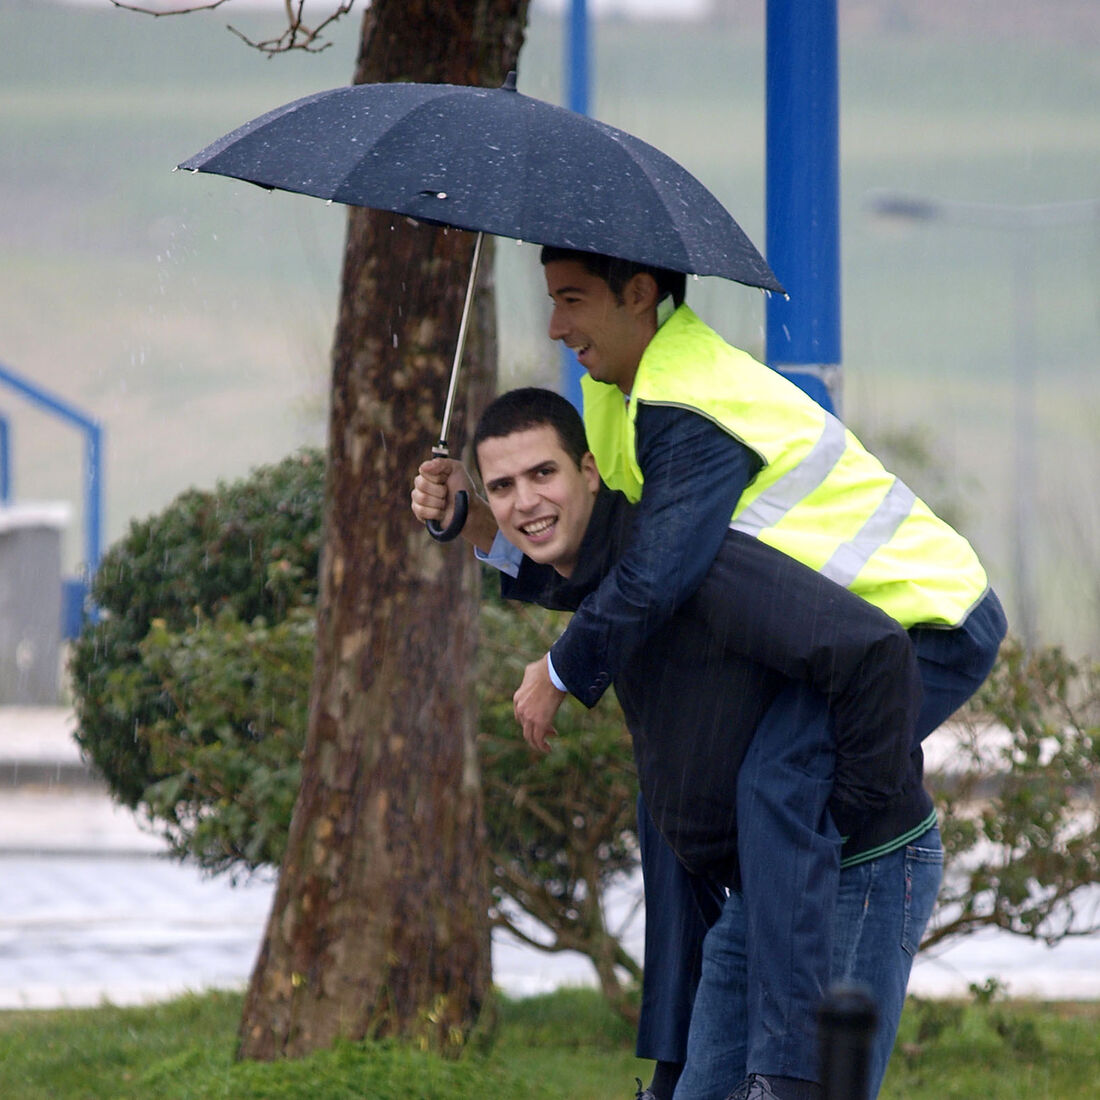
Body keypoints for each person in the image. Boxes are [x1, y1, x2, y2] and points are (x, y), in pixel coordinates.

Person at [507, 247, 1004, 1100]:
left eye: (573, 300)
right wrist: (465, 522)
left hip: (927, 619)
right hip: (847, 644)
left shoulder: (687, 403)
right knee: (725, 793)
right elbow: (606, 545)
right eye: (551, 300)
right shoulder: (622, 392)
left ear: (639, 295)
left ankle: (787, 1073)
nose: (556, 325)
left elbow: (656, 572)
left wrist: (561, 669)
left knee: (779, 779)